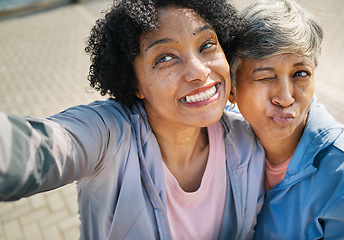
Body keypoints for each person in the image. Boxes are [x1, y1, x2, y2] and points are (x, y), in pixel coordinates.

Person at [0, 0, 265, 239]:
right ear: (134, 83)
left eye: (206, 45)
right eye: (165, 58)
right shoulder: (109, 136)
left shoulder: (247, 138)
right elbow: (45, 146)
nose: (198, 71)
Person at [227, 0, 344, 238]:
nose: (286, 97)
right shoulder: (219, 140)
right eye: (266, 77)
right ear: (231, 89)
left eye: (300, 74)